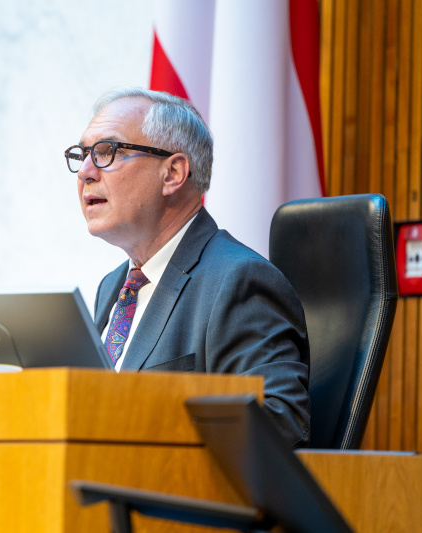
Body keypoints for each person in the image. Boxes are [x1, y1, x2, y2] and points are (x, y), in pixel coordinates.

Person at [65, 87, 311, 448]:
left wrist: (138, 417)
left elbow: (279, 424)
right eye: (83, 154)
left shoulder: (238, 281)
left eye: (107, 152)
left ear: (173, 173)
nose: (86, 172)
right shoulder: (113, 286)